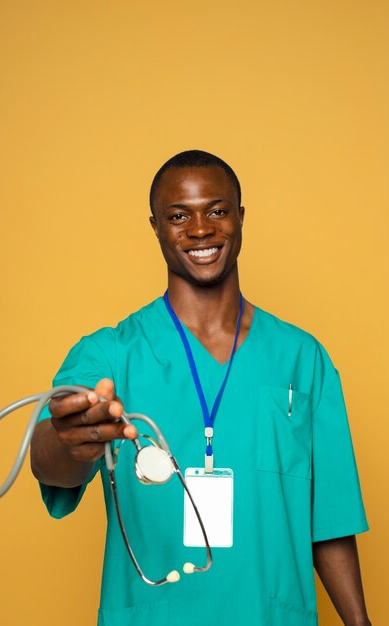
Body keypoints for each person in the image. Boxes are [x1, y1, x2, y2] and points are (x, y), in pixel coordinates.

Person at [30, 150, 372, 626]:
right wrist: (71, 439)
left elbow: (330, 520)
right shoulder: (109, 355)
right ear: (155, 227)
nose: (200, 230)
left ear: (240, 217)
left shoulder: (302, 357)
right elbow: (52, 466)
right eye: (178, 216)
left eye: (216, 210)